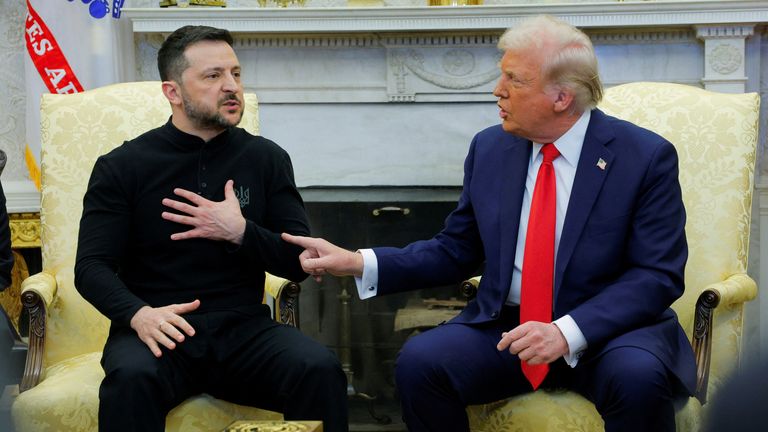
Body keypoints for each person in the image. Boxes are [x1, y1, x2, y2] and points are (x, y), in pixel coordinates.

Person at [282, 15, 695, 432]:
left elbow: (656, 275)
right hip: (508, 327)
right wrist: (358, 262)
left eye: (514, 80)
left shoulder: (643, 157)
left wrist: (566, 331)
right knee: (421, 362)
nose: (497, 91)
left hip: (608, 333)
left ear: (561, 97)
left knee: (639, 379)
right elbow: (455, 249)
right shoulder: (491, 147)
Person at [74, 25, 347, 432]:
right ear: (173, 92)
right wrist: (139, 315)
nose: (230, 86)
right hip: (159, 329)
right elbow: (91, 267)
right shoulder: (122, 166)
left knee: (320, 368)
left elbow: (298, 263)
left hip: (244, 330)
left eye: (235, 74)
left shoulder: (267, 159)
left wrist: (240, 232)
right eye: (213, 76)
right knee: (130, 380)